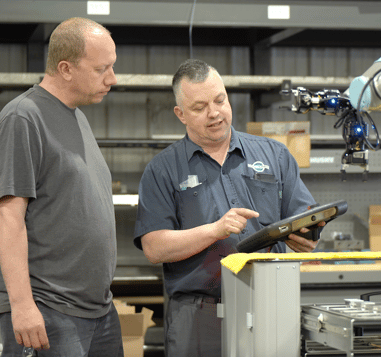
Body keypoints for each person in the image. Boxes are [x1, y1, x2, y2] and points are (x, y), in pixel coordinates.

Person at [134, 59, 322, 356]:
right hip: (199, 317)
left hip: (272, 304)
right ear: (180, 114)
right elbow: (154, 247)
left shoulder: (275, 154)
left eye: (220, 100)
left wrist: (309, 233)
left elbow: (303, 216)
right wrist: (215, 230)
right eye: (199, 107)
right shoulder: (163, 170)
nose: (214, 113)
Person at [0, 17, 123, 357]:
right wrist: (21, 305)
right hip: (48, 309)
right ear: (65, 68)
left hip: (96, 309)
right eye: (101, 69)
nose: (112, 79)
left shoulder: (76, 115)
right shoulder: (24, 117)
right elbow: (8, 216)